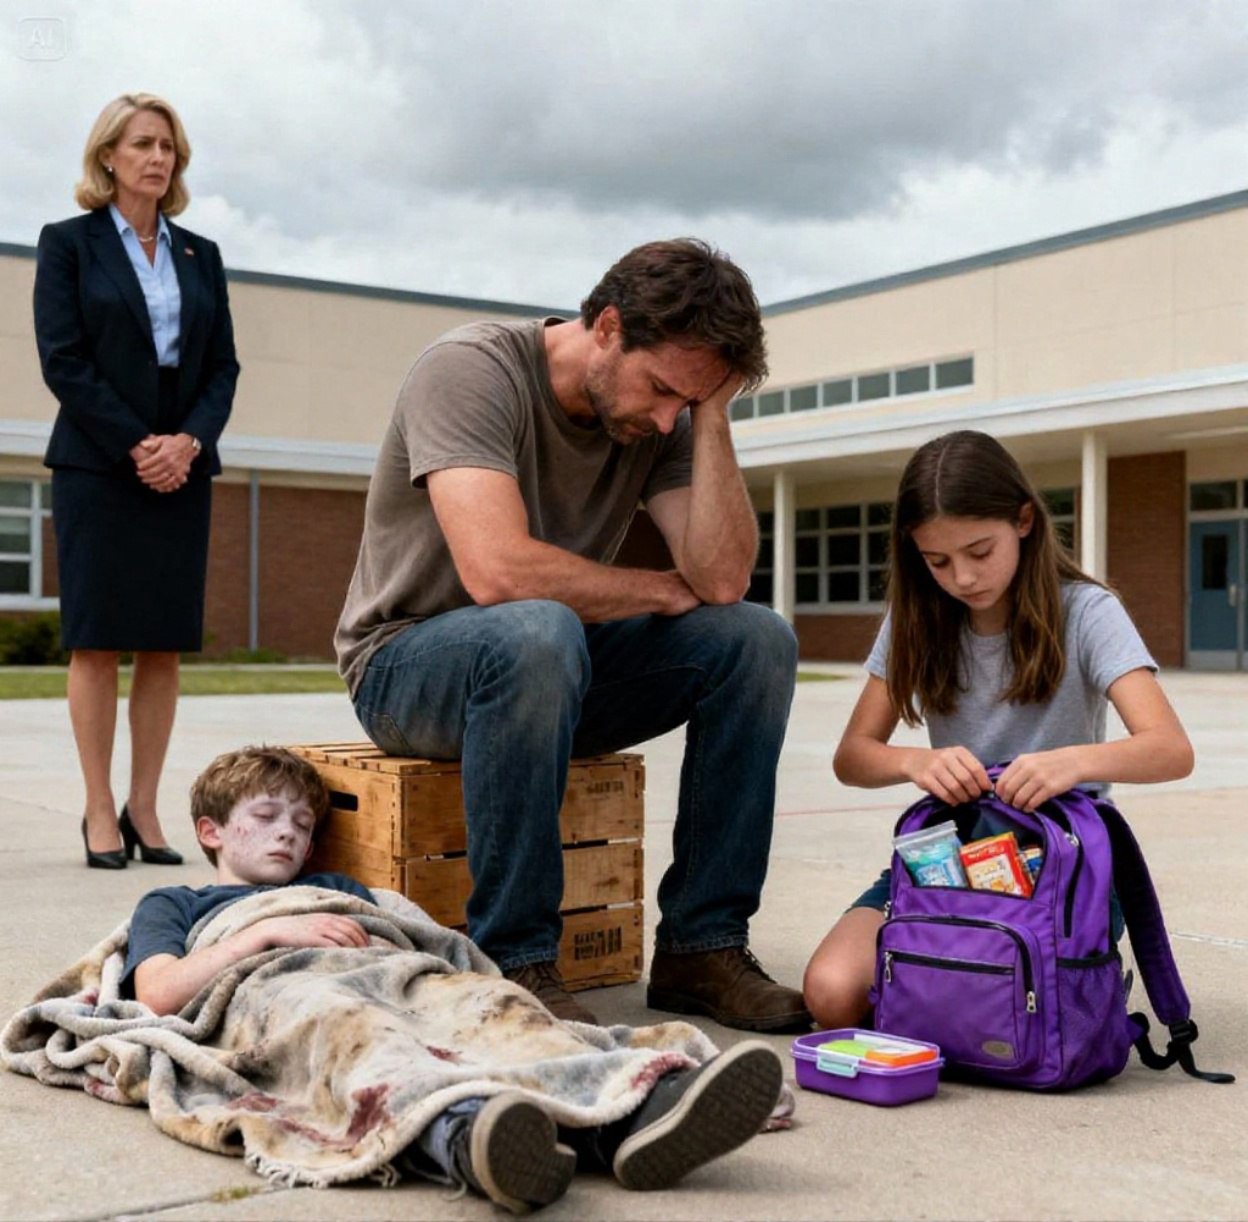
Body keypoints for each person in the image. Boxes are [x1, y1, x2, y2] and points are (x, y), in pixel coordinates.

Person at [335, 238, 809, 1031]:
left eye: (684, 404)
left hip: (551, 667)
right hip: (408, 667)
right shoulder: (470, 370)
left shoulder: (668, 416)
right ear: (609, 327)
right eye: (663, 390)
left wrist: (713, 415)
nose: (666, 417)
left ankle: (703, 947)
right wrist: (657, 590)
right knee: (535, 628)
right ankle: (514, 959)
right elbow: (498, 572)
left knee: (755, 640)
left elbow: (721, 582)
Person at [124, 747, 786, 1214]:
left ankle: (637, 1112)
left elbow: (415, 935)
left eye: (302, 824)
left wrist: (445, 968)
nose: (288, 835)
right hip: (287, 986)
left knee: (493, 1010)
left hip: (388, 970)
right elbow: (159, 991)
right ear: (210, 832)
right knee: (361, 1034)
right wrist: (269, 934)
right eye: (266, 816)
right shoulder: (178, 903)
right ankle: (472, 1138)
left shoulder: (335, 888)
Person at [802, 429, 1195, 1029]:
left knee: (1009, 1007)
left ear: (1024, 521)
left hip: (1063, 865)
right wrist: (915, 764)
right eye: (938, 561)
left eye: (979, 552)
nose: (962, 577)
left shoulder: (1086, 611)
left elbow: (1170, 748)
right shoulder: (915, 619)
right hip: (950, 858)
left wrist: (1075, 763)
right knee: (832, 995)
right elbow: (852, 757)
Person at [34, 93, 239, 871]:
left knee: (162, 644)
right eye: (143, 144)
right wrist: (137, 444)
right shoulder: (68, 245)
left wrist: (187, 442)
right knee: (96, 640)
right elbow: (65, 360)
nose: (158, 158)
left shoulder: (201, 254)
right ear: (108, 156)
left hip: (182, 467)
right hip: (98, 462)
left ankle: (145, 808)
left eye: (170, 148)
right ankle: (97, 809)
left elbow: (222, 366)